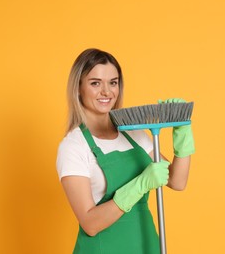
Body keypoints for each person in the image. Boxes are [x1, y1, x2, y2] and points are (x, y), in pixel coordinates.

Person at [56, 48, 195, 254]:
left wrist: (182, 134)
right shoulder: (73, 147)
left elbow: (177, 181)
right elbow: (90, 224)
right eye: (95, 83)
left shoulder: (134, 133)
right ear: (78, 88)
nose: (107, 92)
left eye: (113, 82)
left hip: (145, 246)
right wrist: (140, 185)